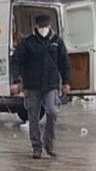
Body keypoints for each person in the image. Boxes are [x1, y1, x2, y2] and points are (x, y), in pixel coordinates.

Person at [10, 13, 72, 159]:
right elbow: (16, 61)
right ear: (36, 27)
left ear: (50, 26)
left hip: (50, 84)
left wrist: (66, 82)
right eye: (41, 26)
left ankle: (49, 143)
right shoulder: (27, 43)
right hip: (32, 85)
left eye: (46, 26)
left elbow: (65, 63)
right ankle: (36, 146)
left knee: (52, 111)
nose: (44, 29)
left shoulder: (57, 42)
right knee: (33, 116)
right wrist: (16, 81)